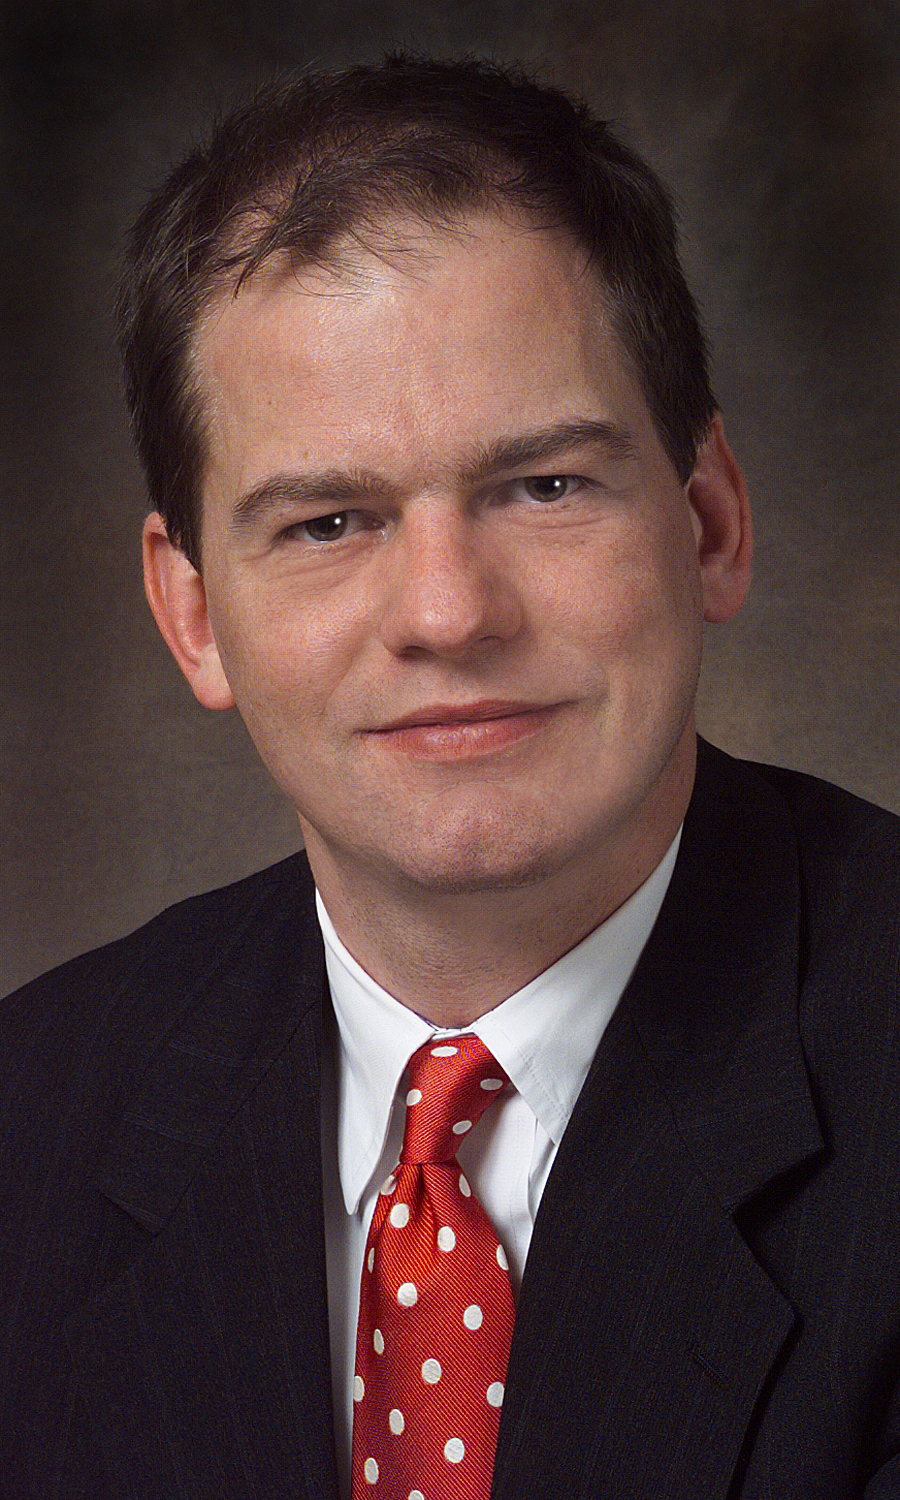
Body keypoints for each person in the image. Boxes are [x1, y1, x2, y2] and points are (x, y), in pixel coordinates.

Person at [2, 53, 899, 1500]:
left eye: (544, 487)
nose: (448, 612)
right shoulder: (31, 1123)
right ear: (192, 613)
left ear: (711, 523)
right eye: (329, 523)